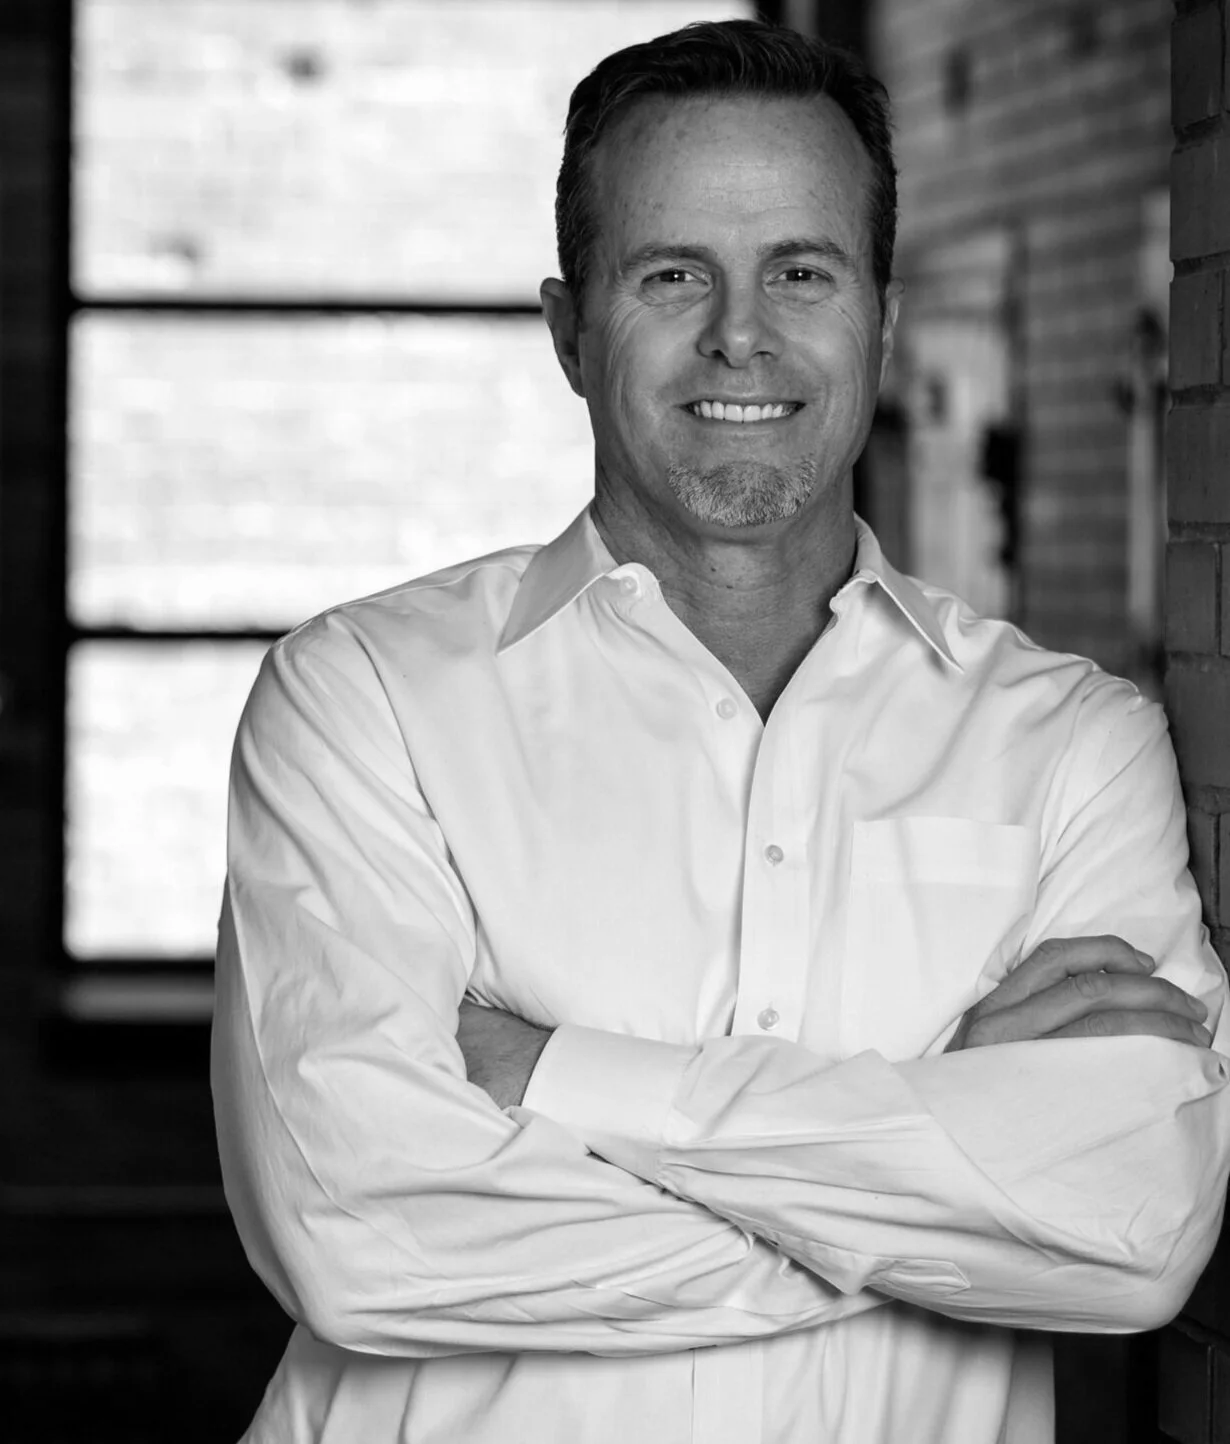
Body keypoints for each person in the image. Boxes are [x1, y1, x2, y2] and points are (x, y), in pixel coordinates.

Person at [210, 18, 1230, 1444]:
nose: (739, 333)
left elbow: (1128, 1230)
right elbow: (356, 1230)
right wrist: (934, 1197)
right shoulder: (367, 699)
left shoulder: (1066, 747)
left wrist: (552, 1074)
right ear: (569, 330)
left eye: (800, 272)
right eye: (671, 272)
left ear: (877, 322)